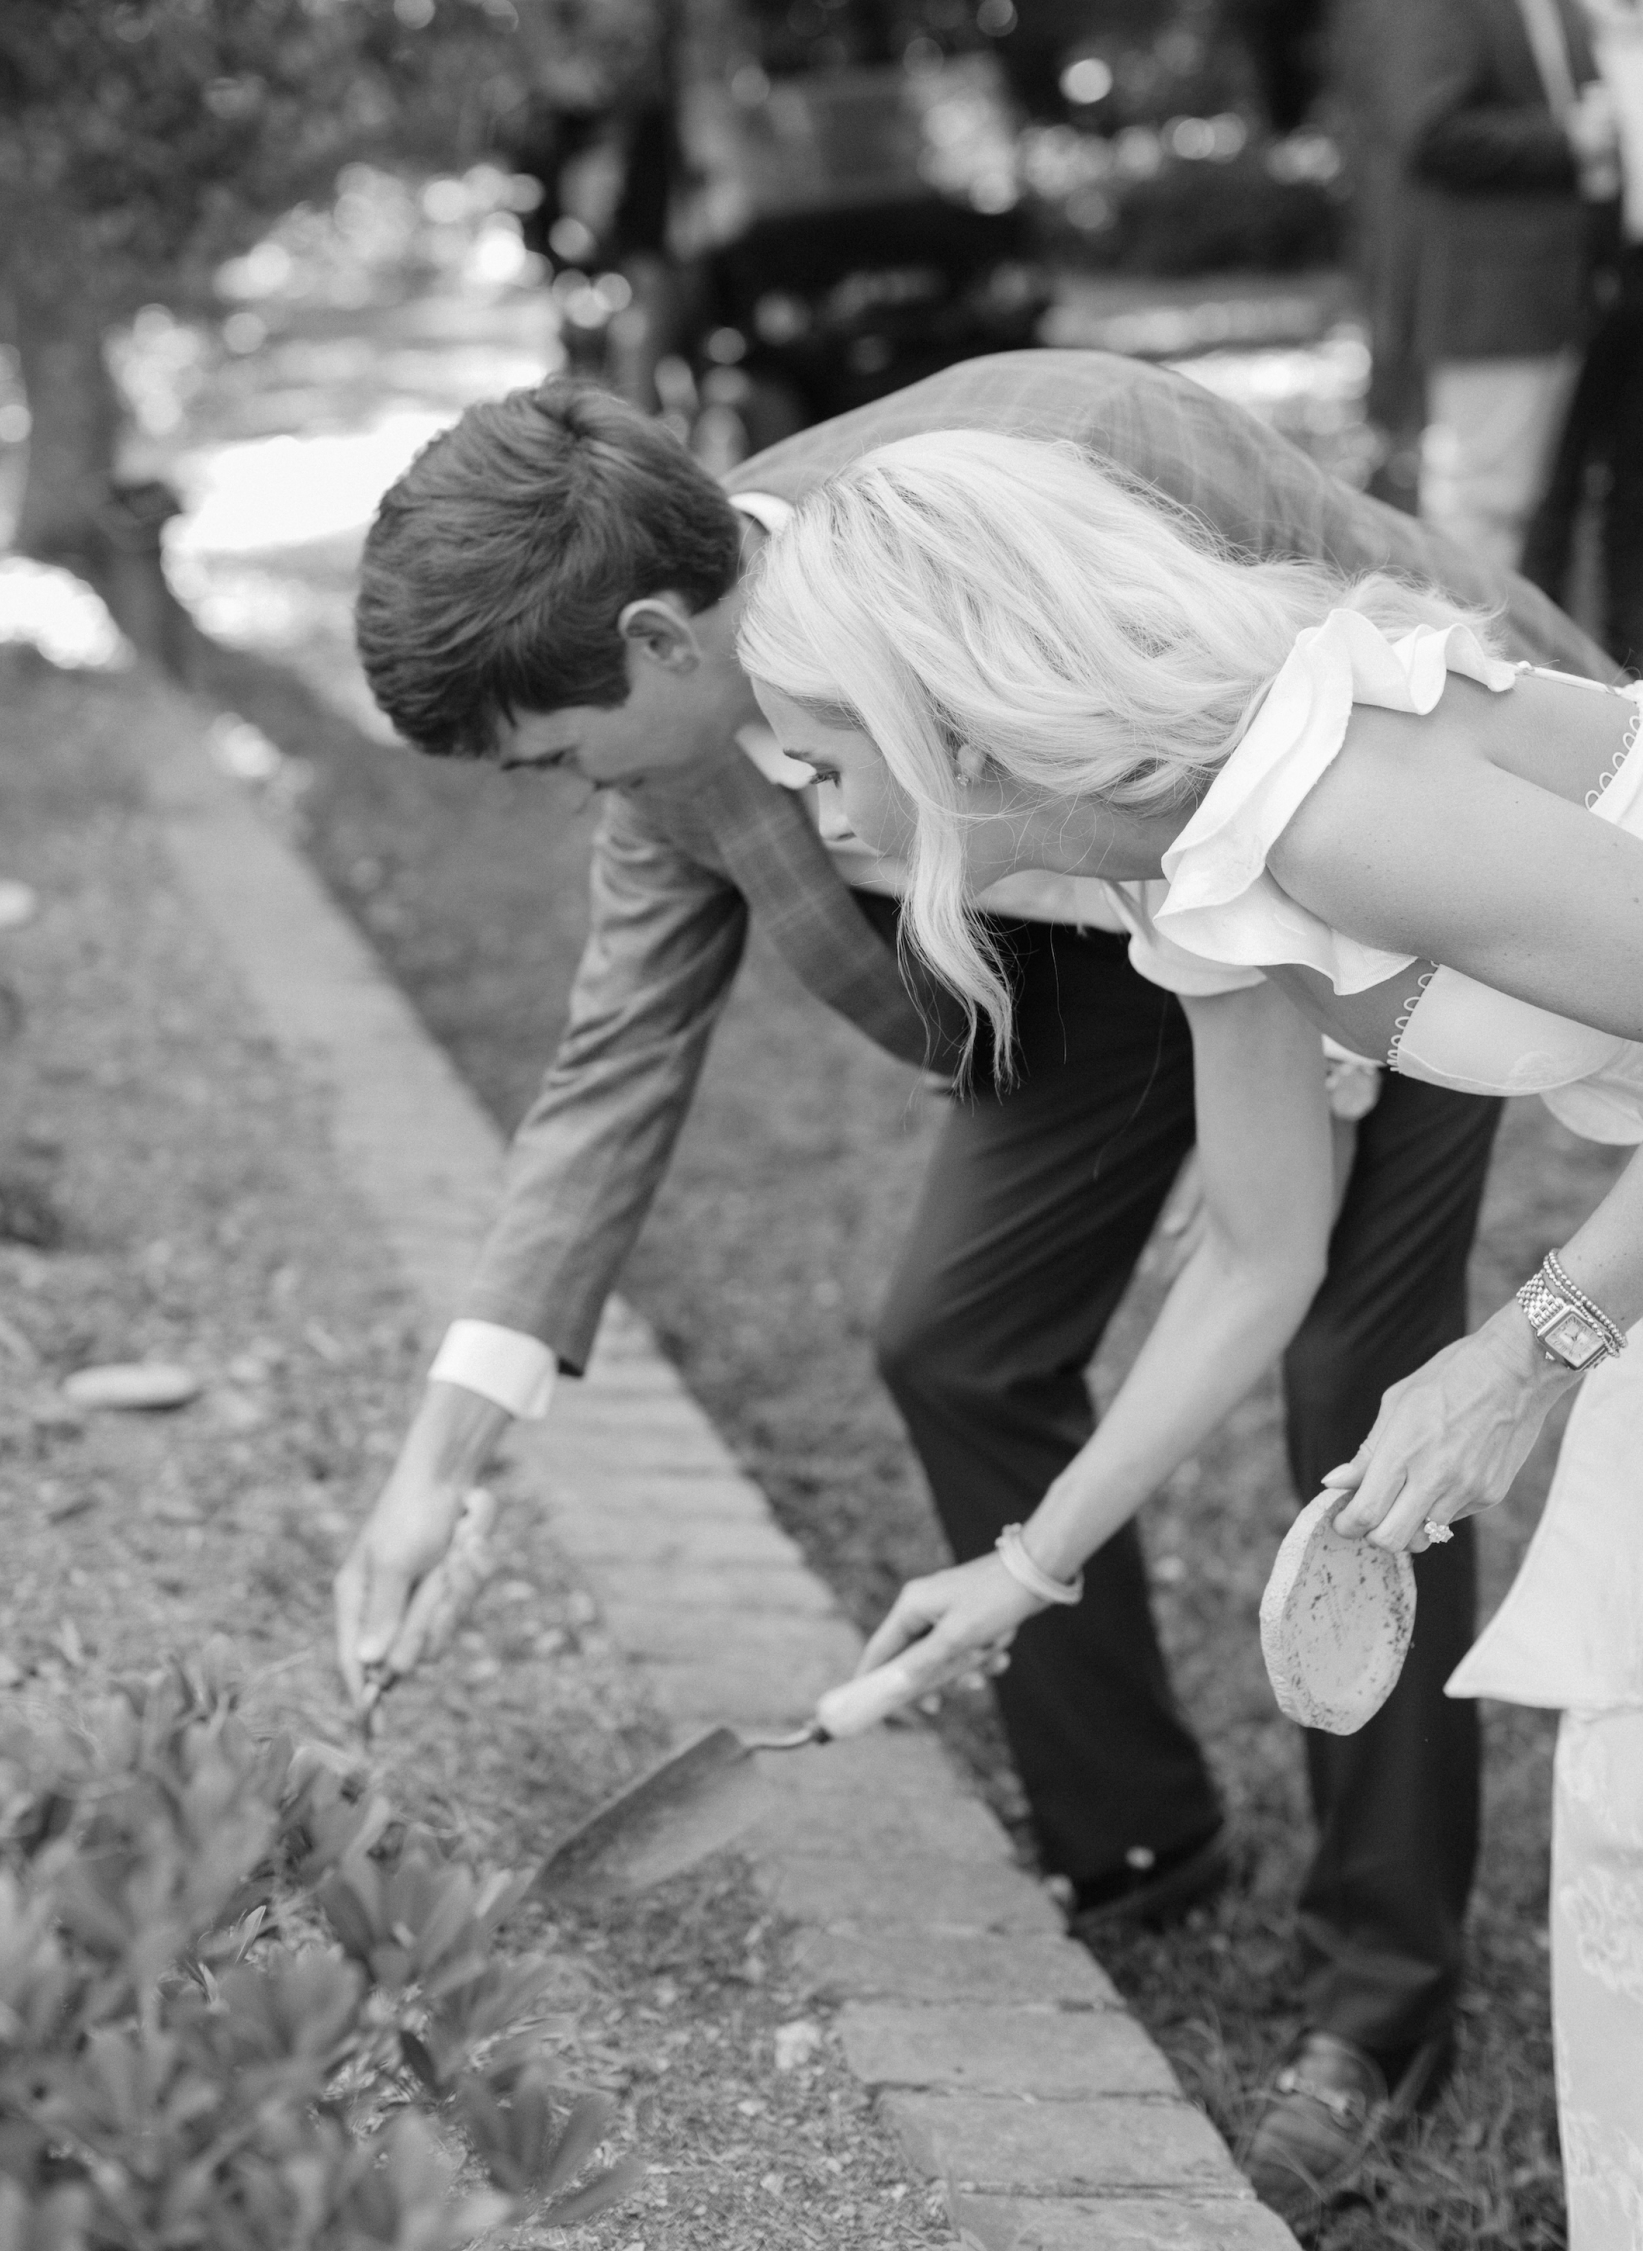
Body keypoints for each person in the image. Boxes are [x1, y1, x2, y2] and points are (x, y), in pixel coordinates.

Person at [334, 359, 1598, 2226]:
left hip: (1384, 836)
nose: (797, 805)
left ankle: (1379, 1992)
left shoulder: (1063, 469)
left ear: (669, 642)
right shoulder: (782, 763)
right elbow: (619, 1066)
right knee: (954, 1337)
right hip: (1127, 891)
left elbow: (1330, 709)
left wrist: (1510, 1298)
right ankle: (1138, 1836)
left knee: (1369, 1378)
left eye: (556, 757)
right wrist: (446, 1454)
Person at [736, 426, 1643, 2250]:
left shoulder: (1334, 808)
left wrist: (1527, 1347)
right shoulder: (1193, 862)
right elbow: (1256, 1252)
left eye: (828, 755)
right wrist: (1025, 1560)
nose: (810, 809)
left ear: (960, 733)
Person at [1384, 0, 1614, 577]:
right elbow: (1427, 130)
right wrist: (1567, 138)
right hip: (1488, 300)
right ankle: (1452, 685)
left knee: (1513, 515)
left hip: (1552, 294)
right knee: (1474, 521)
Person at [1525, 0, 1643, 673]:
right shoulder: (1548, 11)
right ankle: (1541, 654)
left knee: (1633, 475)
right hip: (1568, 277)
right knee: (1551, 477)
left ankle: (1624, 648)